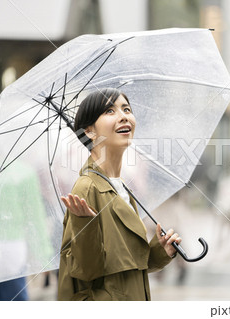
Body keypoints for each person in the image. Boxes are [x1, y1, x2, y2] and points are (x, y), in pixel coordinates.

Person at [57, 88, 181, 301]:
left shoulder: (121, 187)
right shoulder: (87, 188)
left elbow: (125, 267)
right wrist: (85, 225)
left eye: (126, 109)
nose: (124, 116)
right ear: (89, 131)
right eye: (110, 111)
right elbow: (86, 270)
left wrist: (160, 251)